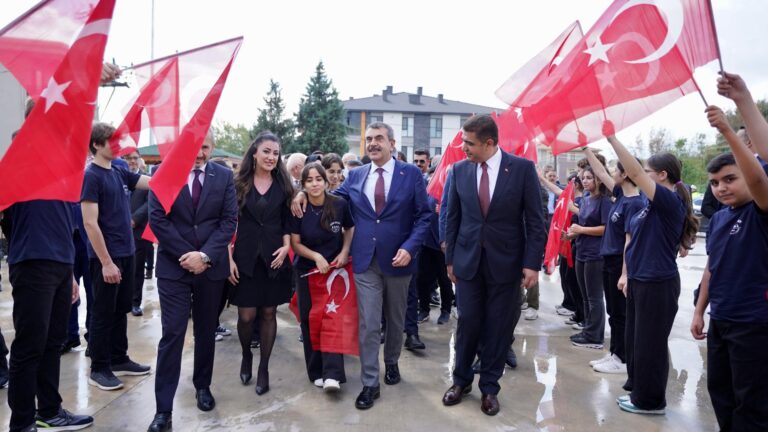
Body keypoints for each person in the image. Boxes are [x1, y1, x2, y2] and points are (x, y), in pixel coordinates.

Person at [291, 122, 432, 411]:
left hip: (399, 259)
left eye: (379, 138)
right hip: (364, 260)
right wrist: (303, 193)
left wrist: (410, 247)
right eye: (369, 139)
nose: (373, 143)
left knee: (394, 320)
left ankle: (391, 361)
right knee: (368, 322)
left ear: (392, 143)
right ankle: (370, 382)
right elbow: (331, 198)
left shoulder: (411, 174)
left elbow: (424, 216)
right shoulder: (355, 175)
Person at [442, 114, 546, 416]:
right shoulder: (459, 170)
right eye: (463, 141)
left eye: (469, 143)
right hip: (467, 262)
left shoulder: (523, 169)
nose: (463, 147)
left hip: (507, 263)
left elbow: (535, 221)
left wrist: (532, 264)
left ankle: (489, 387)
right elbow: (452, 217)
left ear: (489, 143)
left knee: (498, 328)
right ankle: (460, 381)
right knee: (468, 322)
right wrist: (449, 258)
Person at [605, 123, 698, 416]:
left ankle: (652, 402)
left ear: (662, 175)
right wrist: (628, 274)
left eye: (647, 171)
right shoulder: (647, 203)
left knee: (651, 345)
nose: (641, 174)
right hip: (641, 279)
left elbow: (630, 170)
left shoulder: (668, 202)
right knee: (639, 342)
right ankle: (641, 393)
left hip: (659, 282)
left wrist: (611, 137)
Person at [147, 133, 238, 432]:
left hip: (210, 269)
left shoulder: (223, 176)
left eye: (205, 147)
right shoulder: (162, 174)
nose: (199, 154)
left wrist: (205, 256)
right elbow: (158, 220)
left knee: (205, 331)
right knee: (172, 334)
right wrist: (187, 254)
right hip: (174, 269)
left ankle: (202, 386)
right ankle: (163, 409)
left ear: (211, 148)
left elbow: (228, 220)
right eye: (193, 147)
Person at [690, 104, 768, 431]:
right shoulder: (720, 219)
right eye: (714, 182)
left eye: (730, 179)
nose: (721, 187)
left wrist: (726, 130)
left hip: (754, 323)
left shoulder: (760, 211)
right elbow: (712, 267)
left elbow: (759, 180)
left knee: (751, 402)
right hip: (721, 318)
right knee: (720, 393)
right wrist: (699, 311)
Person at [81, 124, 152, 391]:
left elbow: (148, 183)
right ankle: (99, 368)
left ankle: (119, 358)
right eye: (112, 141)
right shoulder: (92, 176)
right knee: (102, 313)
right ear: (97, 145)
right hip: (106, 257)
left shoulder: (120, 168)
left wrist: (176, 174)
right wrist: (106, 262)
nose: (118, 145)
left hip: (127, 251)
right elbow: (90, 223)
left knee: (121, 310)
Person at [228, 132, 294, 396]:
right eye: (266, 151)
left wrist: (288, 246)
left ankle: (264, 367)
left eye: (276, 153)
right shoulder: (237, 184)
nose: (271, 157)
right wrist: (227, 257)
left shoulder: (284, 185)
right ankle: (246, 355)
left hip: (274, 257)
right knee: (246, 315)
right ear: (254, 152)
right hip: (243, 258)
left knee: (268, 313)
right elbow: (226, 222)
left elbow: (289, 221)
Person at [289, 163, 354, 392]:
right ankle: (316, 371)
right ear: (303, 184)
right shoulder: (299, 207)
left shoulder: (339, 204)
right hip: (307, 272)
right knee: (309, 320)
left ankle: (333, 375)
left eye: (319, 179)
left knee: (333, 319)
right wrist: (316, 256)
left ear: (327, 182)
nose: (314, 184)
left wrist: (345, 251)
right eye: (309, 180)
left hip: (335, 273)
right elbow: (295, 244)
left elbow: (349, 229)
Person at [582, 148, 645, 373]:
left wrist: (625, 273)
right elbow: (600, 170)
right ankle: (614, 353)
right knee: (613, 312)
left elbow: (629, 241)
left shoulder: (636, 203)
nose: (610, 173)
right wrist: (586, 149)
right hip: (608, 260)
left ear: (625, 174)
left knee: (621, 313)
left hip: (620, 262)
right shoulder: (619, 195)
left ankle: (622, 358)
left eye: (615, 170)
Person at [566, 165, 612, 349]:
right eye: (583, 178)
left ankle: (595, 336)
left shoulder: (604, 201)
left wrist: (582, 230)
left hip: (596, 254)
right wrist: (571, 235)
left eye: (589, 178)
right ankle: (588, 329)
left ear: (598, 180)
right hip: (582, 250)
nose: (584, 181)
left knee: (594, 297)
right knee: (584, 295)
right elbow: (581, 225)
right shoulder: (585, 199)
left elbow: (606, 228)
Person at [124, 150, 150, 316]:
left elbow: (150, 203)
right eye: (128, 158)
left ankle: (135, 302)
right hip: (118, 232)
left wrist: (134, 219)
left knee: (137, 269)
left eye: (135, 158)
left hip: (139, 231)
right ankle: (122, 301)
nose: (132, 161)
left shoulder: (147, 179)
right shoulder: (116, 177)